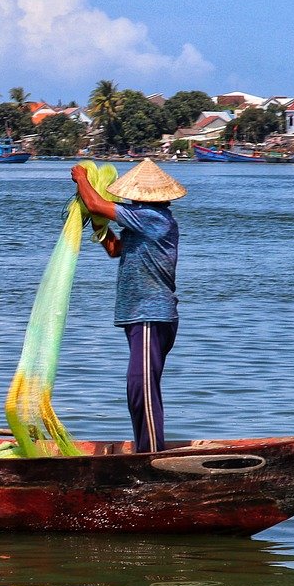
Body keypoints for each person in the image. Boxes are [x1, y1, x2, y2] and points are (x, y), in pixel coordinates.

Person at [71, 159, 186, 453]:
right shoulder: (139, 221)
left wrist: (82, 177)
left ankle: (149, 456)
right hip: (138, 316)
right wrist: (100, 230)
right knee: (137, 388)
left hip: (152, 315)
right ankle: (145, 449)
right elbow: (114, 249)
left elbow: (96, 203)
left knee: (141, 389)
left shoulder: (154, 217)